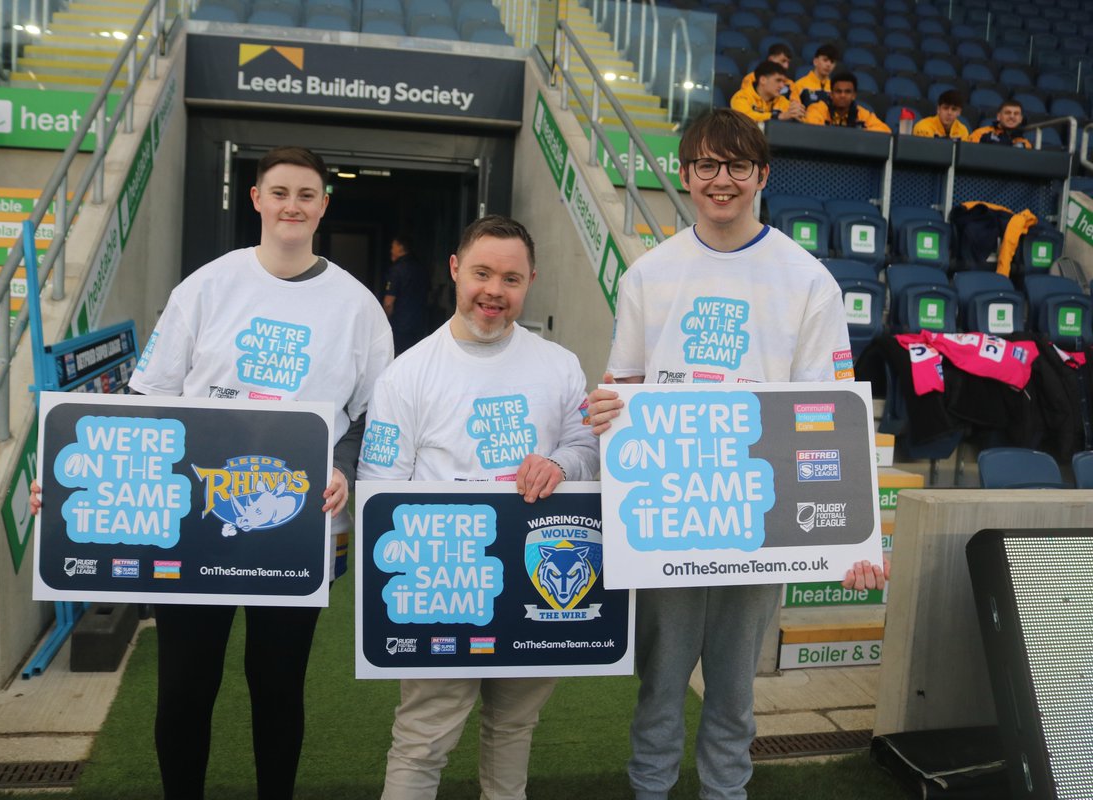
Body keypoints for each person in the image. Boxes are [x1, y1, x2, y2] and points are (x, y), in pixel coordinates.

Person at [34, 146, 393, 799]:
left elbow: (372, 417)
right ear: (256, 199)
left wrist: (345, 470)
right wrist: (71, 483)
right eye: (280, 191)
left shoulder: (358, 307)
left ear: (323, 206)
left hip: (296, 527)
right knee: (184, 686)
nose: (293, 205)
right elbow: (146, 405)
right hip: (195, 525)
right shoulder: (206, 286)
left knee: (278, 684)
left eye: (307, 194)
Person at [583, 108, 888, 800]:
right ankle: (650, 789)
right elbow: (623, 388)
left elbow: (830, 418)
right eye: (706, 166)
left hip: (761, 516)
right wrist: (605, 409)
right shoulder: (648, 276)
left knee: (733, 687)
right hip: (668, 514)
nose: (721, 180)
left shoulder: (807, 280)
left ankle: (726, 792)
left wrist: (850, 541)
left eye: (737, 166)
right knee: (660, 682)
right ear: (685, 174)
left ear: (762, 175)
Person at [358, 214, 599, 800]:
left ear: (531, 281)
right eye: (482, 274)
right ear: (455, 271)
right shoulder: (406, 374)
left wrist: (560, 465)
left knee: (514, 728)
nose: (495, 291)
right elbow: (379, 489)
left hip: (534, 579)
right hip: (442, 585)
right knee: (422, 740)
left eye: (511, 279)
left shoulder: (559, 364)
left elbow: (587, 448)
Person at [382, 233, 431, 354]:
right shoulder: (422, 268)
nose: (391, 251)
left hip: (400, 326)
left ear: (400, 247)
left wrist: (384, 321)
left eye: (393, 247)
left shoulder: (396, 270)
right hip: (420, 324)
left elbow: (389, 303)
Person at [803, 71, 892, 132]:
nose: (843, 95)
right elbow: (812, 128)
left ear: (854, 96)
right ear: (831, 94)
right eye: (838, 91)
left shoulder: (862, 113)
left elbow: (885, 130)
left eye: (847, 92)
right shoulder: (818, 108)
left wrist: (859, 133)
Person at [730, 61, 805, 123]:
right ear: (763, 80)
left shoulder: (781, 100)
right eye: (778, 80)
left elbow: (794, 117)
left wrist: (797, 113)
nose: (782, 86)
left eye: (783, 82)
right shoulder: (741, 96)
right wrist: (778, 116)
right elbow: (745, 118)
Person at [790, 43, 839, 108]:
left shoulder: (835, 88)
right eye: (825, 60)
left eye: (832, 62)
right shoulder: (800, 85)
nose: (828, 65)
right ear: (815, 61)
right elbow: (795, 111)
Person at [967, 99, 1032, 148]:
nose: (1012, 116)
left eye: (1016, 114)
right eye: (1007, 113)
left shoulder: (1025, 144)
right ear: (998, 116)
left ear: (1020, 119)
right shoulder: (980, 134)